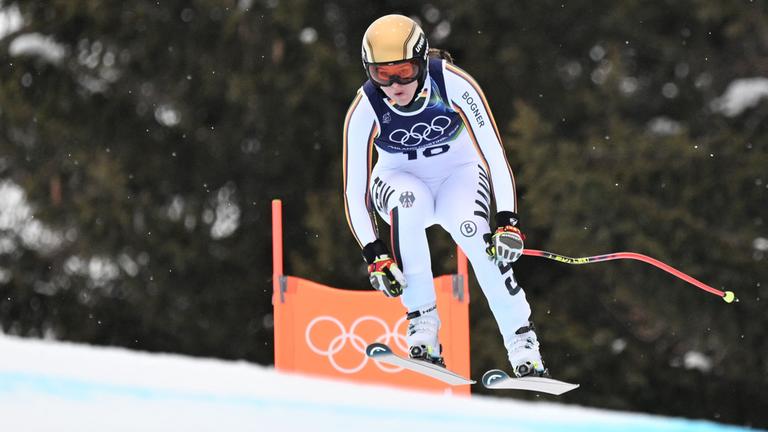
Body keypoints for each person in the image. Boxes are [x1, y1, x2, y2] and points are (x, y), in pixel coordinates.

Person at [343, 14, 546, 377]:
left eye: (404, 71)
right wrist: (374, 254)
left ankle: (522, 344)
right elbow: (353, 190)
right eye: (381, 74)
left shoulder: (453, 83)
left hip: (459, 174)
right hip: (399, 178)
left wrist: (507, 222)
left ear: (421, 62)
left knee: (473, 230)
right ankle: (422, 326)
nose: (394, 85)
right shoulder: (365, 107)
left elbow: (494, 156)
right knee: (408, 204)